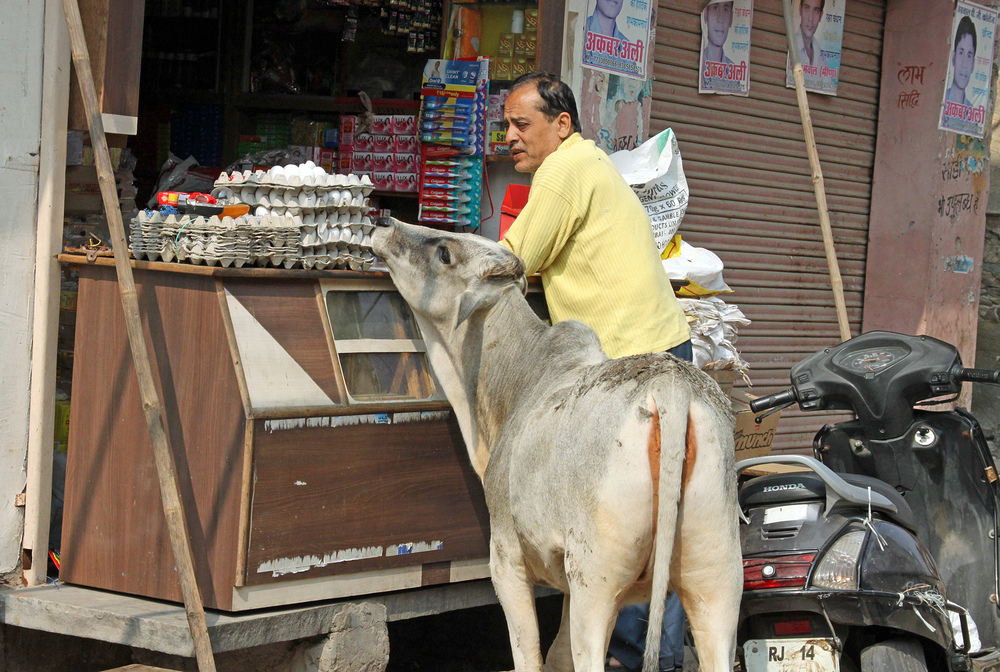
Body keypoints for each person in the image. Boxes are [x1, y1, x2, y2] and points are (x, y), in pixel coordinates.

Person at [500, 71, 692, 672]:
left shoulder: (563, 170)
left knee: (628, 528)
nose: (510, 136)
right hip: (668, 354)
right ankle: (650, 658)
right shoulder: (591, 164)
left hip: (630, 363)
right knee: (664, 530)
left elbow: (510, 264)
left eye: (521, 124)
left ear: (561, 125)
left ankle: (627, 659)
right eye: (506, 124)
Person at [946, 16, 976, 106]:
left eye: (969, 55)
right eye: (961, 53)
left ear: (973, 64)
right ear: (954, 57)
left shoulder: (973, 112)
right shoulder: (942, 100)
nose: (964, 64)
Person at [702, 0, 735, 65]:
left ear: (731, 18)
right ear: (705, 14)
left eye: (725, 10)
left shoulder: (732, 69)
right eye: (715, 8)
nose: (720, 19)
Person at [795, 0, 824, 66]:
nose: (810, 19)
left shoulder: (821, 56)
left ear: (821, 16)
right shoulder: (792, 45)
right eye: (807, 8)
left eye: (816, 10)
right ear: (800, 10)